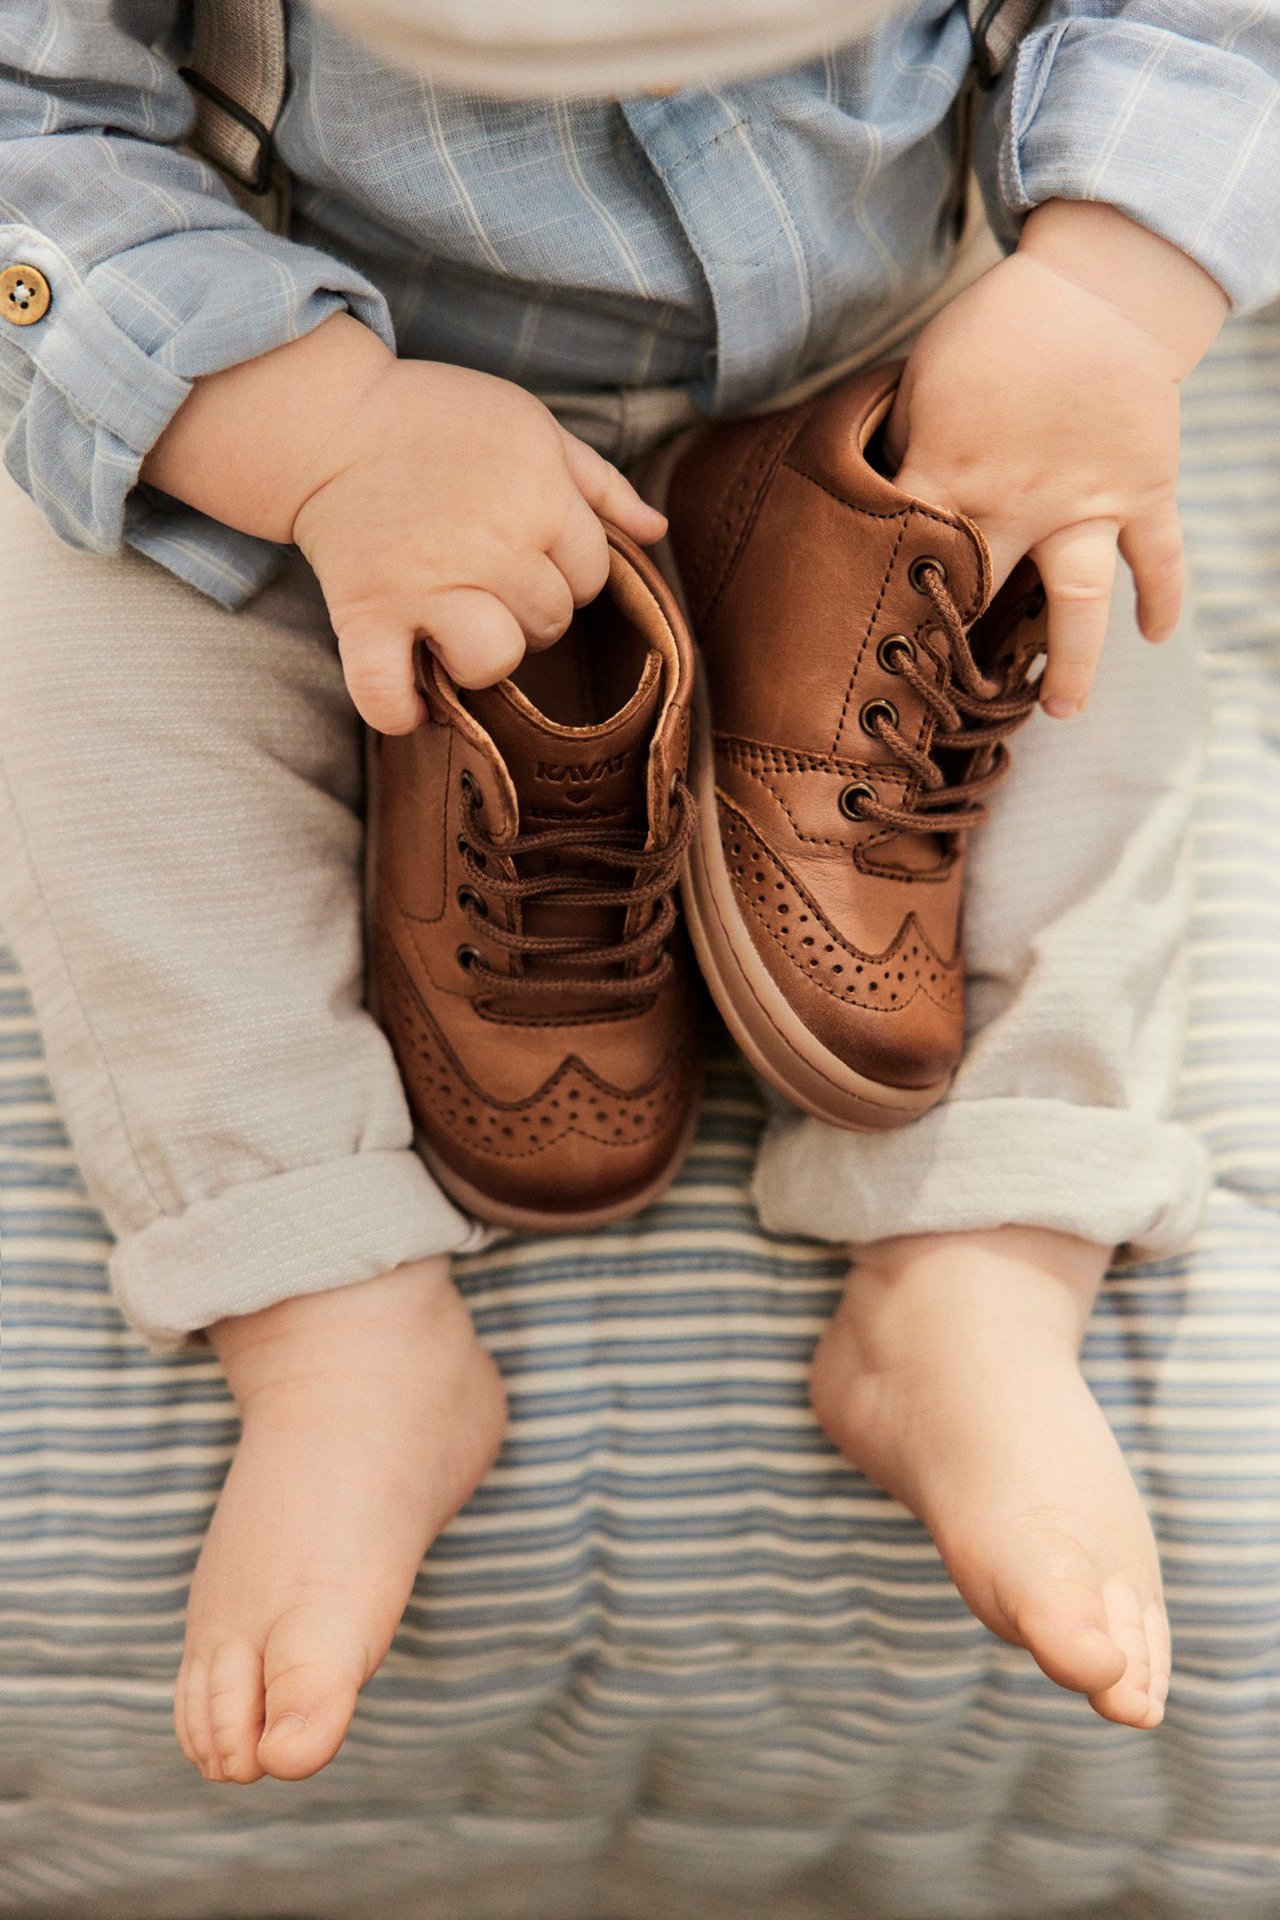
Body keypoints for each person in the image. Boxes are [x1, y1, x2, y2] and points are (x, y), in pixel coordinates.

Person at [0, 0, 1271, 1786]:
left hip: (899, 383)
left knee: (1110, 614)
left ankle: (977, 1266)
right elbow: (35, 131)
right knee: (73, 646)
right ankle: (336, 1329)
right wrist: (316, 435)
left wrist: (1105, 297)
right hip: (330, 390)